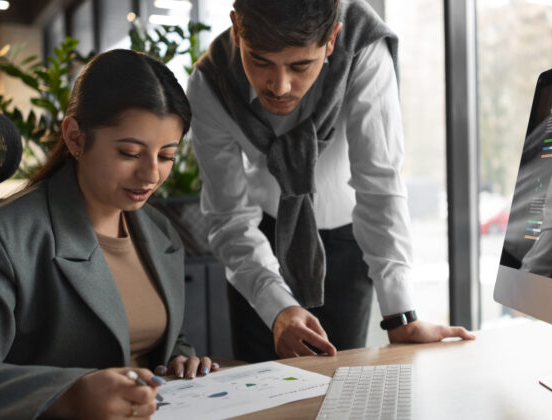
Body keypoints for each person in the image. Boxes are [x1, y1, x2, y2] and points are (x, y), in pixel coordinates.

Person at [187, 0, 475, 363]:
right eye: (260, 61)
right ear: (235, 28)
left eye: (300, 65)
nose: (279, 85)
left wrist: (401, 315)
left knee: (343, 384)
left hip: (347, 236)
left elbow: (379, 182)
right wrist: (276, 307)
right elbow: (228, 215)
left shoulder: (364, 48)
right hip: (258, 240)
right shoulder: (210, 83)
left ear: (332, 39)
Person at [0, 49, 218, 419]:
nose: (151, 175)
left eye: (166, 155)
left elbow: (154, 338)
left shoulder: (159, 231)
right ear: (76, 138)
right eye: (129, 153)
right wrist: (67, 396)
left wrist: (179, 360)